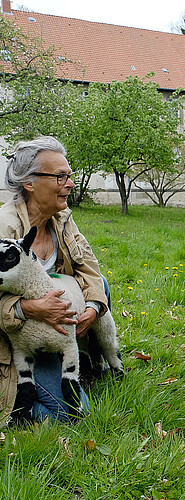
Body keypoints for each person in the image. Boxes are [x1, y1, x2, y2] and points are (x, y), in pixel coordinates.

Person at [0, 136, 111, 423]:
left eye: (70, 176)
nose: (71, 183)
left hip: (56, 330)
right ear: (29, 183)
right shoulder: (5, 227)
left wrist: (92, 309)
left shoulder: (61, 218)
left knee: (101, 290)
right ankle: (12, 397)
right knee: (70, 413)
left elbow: (90, 269)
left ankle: (83, 361)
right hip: (17, 339)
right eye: (60, 176)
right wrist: (29, 309)